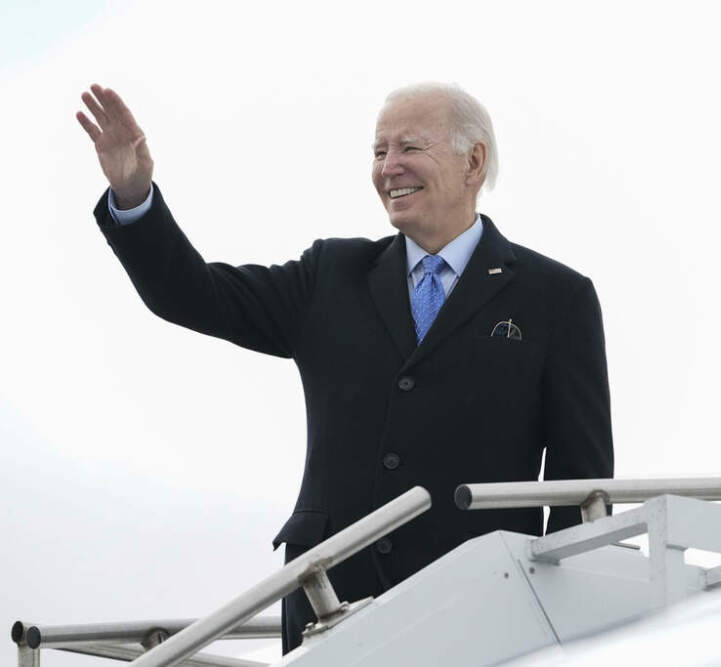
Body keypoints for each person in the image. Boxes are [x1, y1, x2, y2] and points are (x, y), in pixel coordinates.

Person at [76, 82, 614, 653]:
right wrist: (134, 197)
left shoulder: (555, 298)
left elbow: (582, 485)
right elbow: (192, 294)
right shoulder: (330, 275)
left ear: (473, 161)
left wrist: (562, 627)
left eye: (408, 147)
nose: (389, 168)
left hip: (480, 611)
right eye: (379, 152)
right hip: (330, 607)